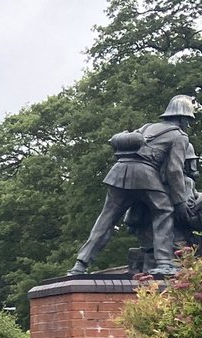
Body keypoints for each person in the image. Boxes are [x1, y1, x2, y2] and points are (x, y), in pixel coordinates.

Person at [68, 94, 197, 277]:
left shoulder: (147, 127)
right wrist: (179, 202)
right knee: (164, 210)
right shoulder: (179, 136)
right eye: (188, 120)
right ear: (182, 118)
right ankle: (164, 262)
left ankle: (79, 265)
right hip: (144, 175)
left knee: (106, 219)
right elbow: (174, 171)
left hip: (119, 172)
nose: (188, 125)